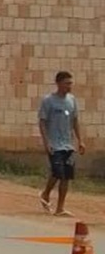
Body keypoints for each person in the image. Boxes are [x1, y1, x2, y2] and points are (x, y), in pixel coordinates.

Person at [39, 69, 86, 216]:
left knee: (67, 175)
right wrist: (46, 143)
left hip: (68, 144)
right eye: (66, 83)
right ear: (58, 83)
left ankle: (60, 208)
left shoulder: (72, 100)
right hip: (54, 144)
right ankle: (45, 193)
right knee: (58, 173)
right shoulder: (48, 101)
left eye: (70, 84)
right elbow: (42, 122)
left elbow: (75, 121)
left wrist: (80, 141)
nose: (69, 86)